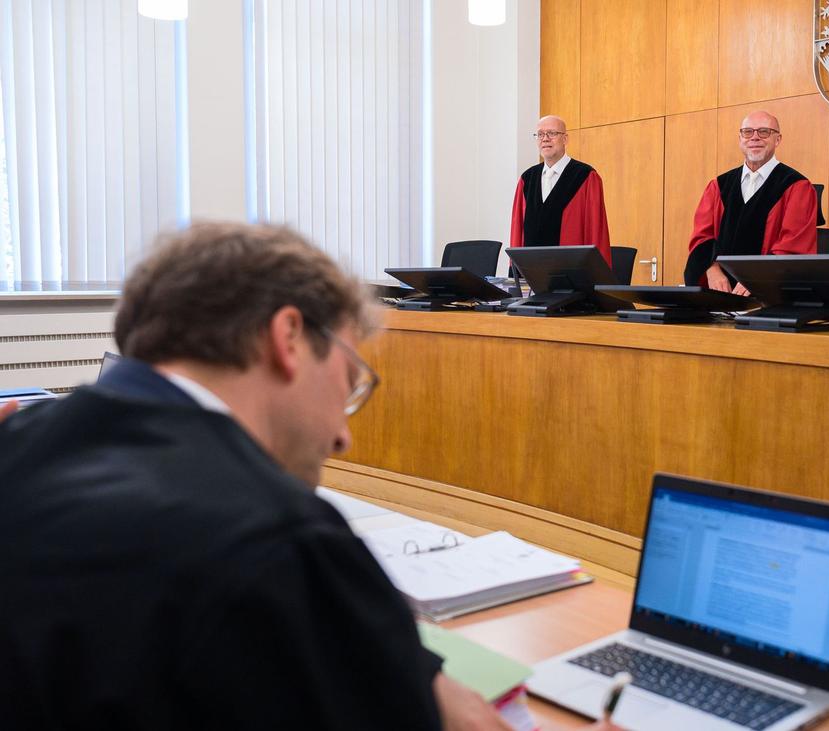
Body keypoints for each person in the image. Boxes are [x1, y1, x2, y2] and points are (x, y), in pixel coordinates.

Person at [0, 223, 617, 730]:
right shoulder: (278, 538)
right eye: (347, 381)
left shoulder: (20, 445)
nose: (342, 436)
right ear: (288, 337)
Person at [684, 110, 820, 295]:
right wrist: (712, 269)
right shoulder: (719, 186)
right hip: (721, 296)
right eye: (748, 132)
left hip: (769, 295)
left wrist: (757, 279)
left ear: (778, 139)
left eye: (764, 131)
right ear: (740, 138)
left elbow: (793, 247)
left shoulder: (797, 187)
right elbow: (702, 237)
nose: (755, 137)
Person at [509, 115, 612, 266]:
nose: (545, 139)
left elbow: (596, 231)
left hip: (572, 274)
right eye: (540, 134)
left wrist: (596, 274)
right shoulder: (527, 180)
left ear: (565, 139)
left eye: (552, 133)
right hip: (531, 276)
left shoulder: (585, 177)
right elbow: (517, 232)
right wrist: (514, 272)